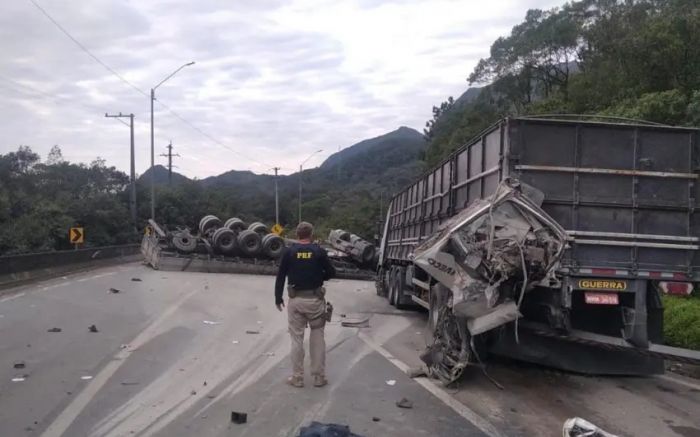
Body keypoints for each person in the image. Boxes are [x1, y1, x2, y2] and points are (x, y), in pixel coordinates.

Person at [275, 221, 335, 388]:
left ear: (297, 235)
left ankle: (297, 377)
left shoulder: (289, 252)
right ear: (311, 235)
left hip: (296, 301)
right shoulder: (319, 252)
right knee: (317, 337)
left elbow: (280, 276)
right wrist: (319, 277)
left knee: (296, 339)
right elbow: (332, 272)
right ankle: (318, 377)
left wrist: (277, 298)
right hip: (315, 301)